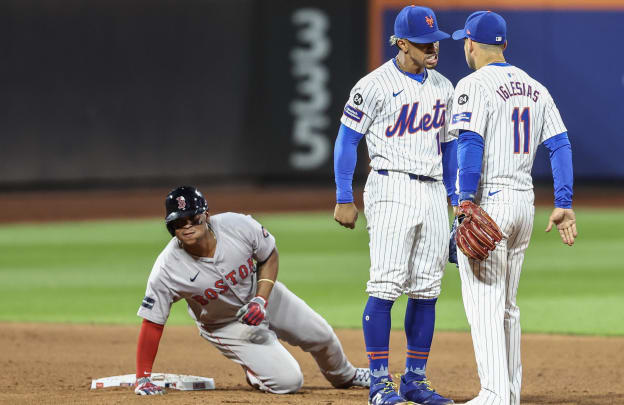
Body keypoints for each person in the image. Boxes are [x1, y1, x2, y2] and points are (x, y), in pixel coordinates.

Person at [447, 11, 578, 405]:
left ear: (470, 43)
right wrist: (564, 203)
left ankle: (492, 394)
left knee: (484, 305)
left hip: (491, 202)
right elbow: (560, 145)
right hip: (525, 203)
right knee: (507, 306)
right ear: (504, 44)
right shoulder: (537, 88)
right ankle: (508, 392)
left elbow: (469, 144)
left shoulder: (471, 84)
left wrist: (466, 201)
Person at [333, 5, 458, 405]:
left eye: (435, 39)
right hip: (391, 187)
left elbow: (451, 146)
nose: (432, 47)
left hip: (434, 190)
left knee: (427, 289)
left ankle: (415, 380)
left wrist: (457, 200)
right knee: (386, 285)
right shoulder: (372, 85)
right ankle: (379, 382)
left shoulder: (445, 86)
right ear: (402, 43)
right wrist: (343, 196)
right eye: (423, 43)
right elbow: (346, 141)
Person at [133, 186, 371, 395]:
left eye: (193, 218)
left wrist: (261, 299)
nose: (187, 226)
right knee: (288, 382)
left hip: (265, 295)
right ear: (170, 226)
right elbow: (153, 322)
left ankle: (345, 376)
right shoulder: (167, 268)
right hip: (225, 324)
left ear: (206, 215)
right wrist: (143, 377)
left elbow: (269, 256)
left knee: (322, 335)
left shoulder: (237, 225)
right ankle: (255, 370)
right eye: (179, 222)